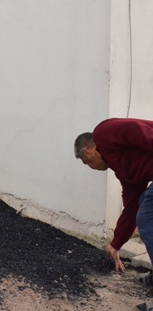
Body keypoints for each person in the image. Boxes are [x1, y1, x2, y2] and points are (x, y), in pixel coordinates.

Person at [74, 118, 153, 284]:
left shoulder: (102, 133)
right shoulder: (124, 171)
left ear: (88, 153)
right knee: (143, 205)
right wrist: (116, 244)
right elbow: (131, 208)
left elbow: (134, 129)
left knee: (146, 218)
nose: (91, 167)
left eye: (86, 163)